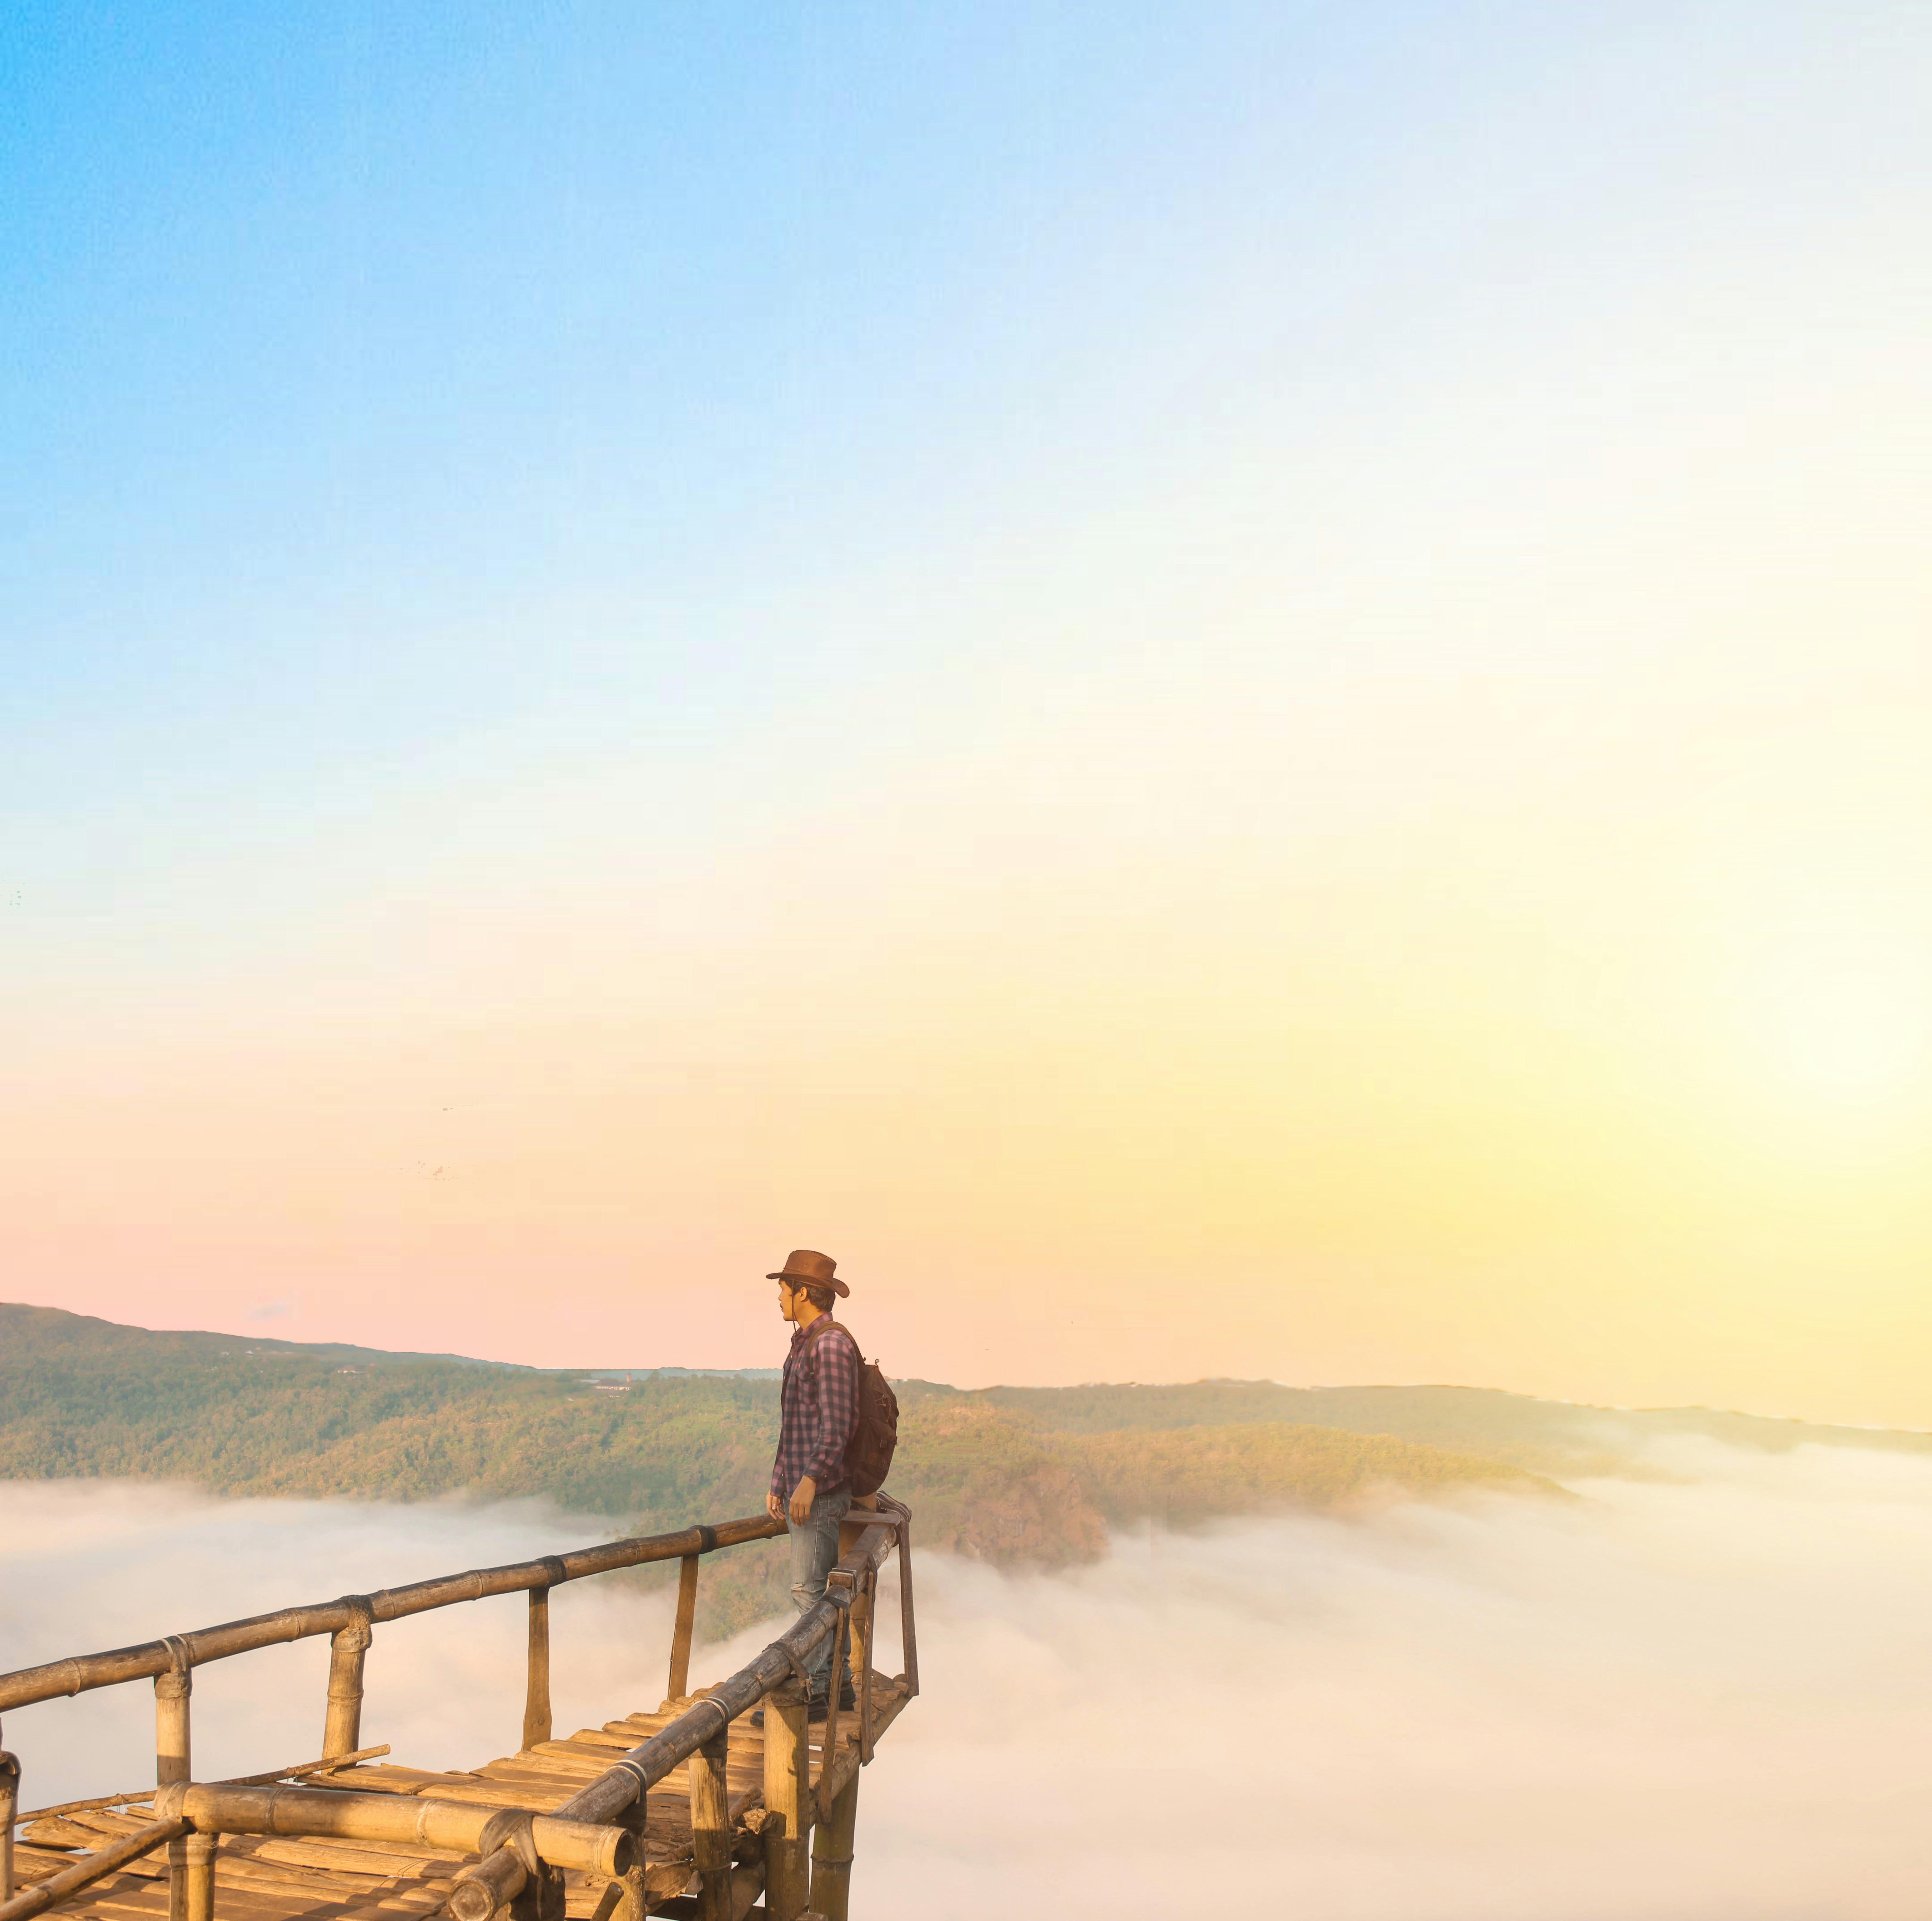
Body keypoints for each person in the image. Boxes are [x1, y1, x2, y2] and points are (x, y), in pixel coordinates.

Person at [765, 1248, 861, 1715]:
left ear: (803, 1292)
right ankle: (836, 1682)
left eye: (784, 1289)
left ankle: (817, 1689)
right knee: (816, 1589)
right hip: (805, 1487)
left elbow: (836, 1424)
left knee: (809, 1591)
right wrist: (779, 1480)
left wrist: (808, 1481)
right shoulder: (803, 1343)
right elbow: (795, 1424)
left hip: (820, 1494)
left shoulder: (829, 1345)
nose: (779, 1298)